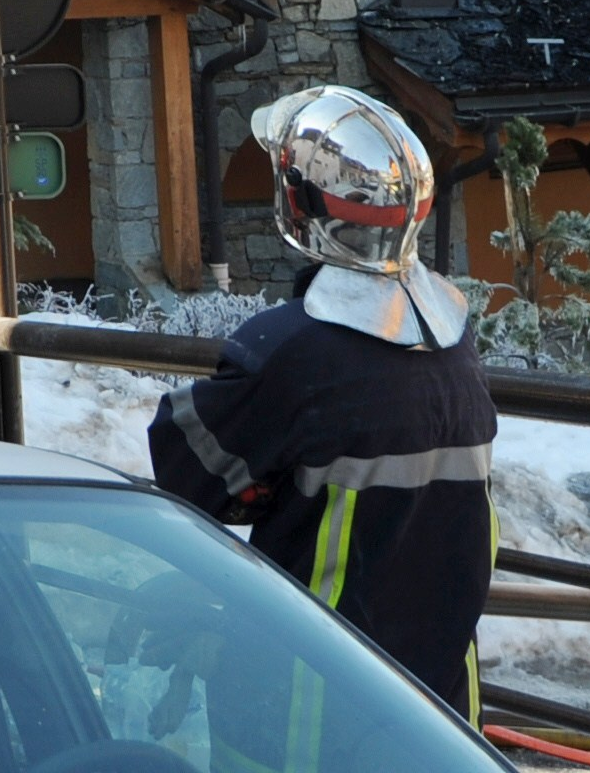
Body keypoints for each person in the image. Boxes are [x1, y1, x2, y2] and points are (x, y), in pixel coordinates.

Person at [148, 85, 497, 722]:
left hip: (310, 711)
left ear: (300, 202)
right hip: (441, 708)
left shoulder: (288, 353)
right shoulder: (454, 343)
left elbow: (188, 477)